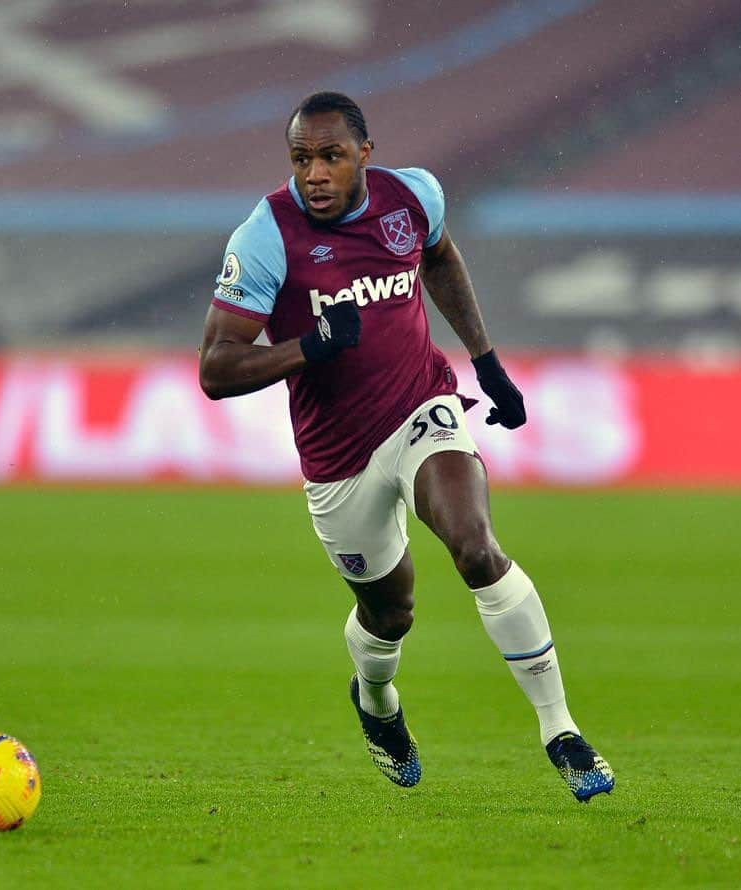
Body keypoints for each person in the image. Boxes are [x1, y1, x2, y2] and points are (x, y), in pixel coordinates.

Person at [198, 91, 614, 802]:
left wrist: (485, 363)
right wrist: (311, 346)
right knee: (391, 612)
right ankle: (376, 702)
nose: (315, 175)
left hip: (422, 406)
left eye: (330, 156)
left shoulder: (413, 197)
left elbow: (442, 260)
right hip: (338, 459)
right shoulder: (266, 236)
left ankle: (560, 729)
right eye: (302, 160)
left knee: (476, 547)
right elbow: (215, 369)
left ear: (365, 152)